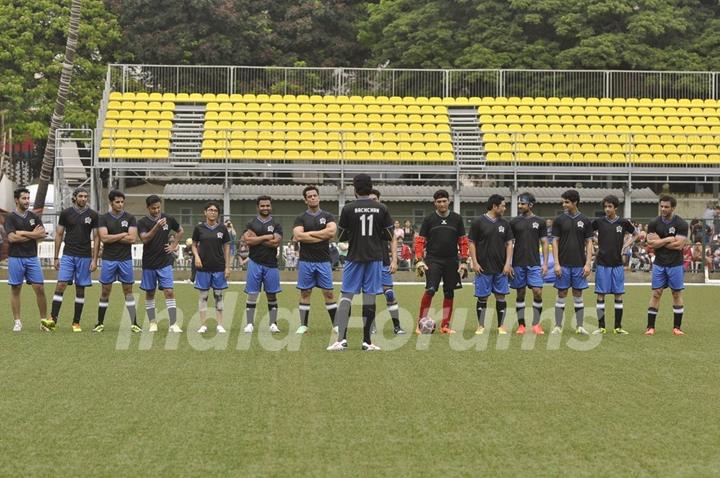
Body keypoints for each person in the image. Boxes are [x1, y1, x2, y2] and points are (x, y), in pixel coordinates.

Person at [327, 174, 393, 351]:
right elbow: (389, 235)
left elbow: (341, 236)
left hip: (354, 257)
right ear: (371, 188)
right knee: (370, 297)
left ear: (354, 189)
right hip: (375, 258)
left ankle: (341, 340)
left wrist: (355, 234)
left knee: (346, 297)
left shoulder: (348, 209)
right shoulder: (381, 208)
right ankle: (367, 341)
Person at [415, 189, 468, 334]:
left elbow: (463, 241)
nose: (442, 204)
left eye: (444, 201)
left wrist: (463, 261)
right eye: (439, 202)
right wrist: (419, 260)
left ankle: (445, 326)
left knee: (449, 292)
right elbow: (420, 241)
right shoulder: (429, 219)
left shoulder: (457, 219)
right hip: (433, 260)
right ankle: (420, 324)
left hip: (451, 261)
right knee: (430, 290)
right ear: (434, 203)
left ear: (449, 202)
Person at [47, 187, 99, 332]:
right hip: (68, 255)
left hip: (85, 256)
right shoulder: (66, 213)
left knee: (80, 289)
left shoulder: (93, 215)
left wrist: (95, 260)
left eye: (86, 196)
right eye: (81, 196)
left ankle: (76, 322)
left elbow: (96, 237)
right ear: (75, 197)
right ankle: (52, 319)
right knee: (61, 284)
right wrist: (56, 257)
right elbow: (58, 234)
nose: (83, 199)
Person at [292, 185, 338, 334]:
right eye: (309, 196)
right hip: (306, 261)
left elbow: (331, 232)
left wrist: (309, 235)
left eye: (314, 195)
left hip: (324, 261)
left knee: (329, 293)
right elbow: (298, 237)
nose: (312, 198)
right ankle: (303, 325)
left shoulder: (328, 216)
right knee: (305, 293)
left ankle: (336, 325)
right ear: (306, 200)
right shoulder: (300, 217)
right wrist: (320, 235)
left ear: (318, 197)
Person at [95, 190, 140, 332]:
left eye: (122, 202)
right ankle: (99, 323)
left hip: (125, 260)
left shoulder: (130, 218)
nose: (120, 204)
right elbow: (103, 238)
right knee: (105, 291)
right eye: (117, 202)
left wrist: (111, 237)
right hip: (109, 260)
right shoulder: (103, 218)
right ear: (111, 202)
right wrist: (122, 234)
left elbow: (132, 239)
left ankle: (134, 323)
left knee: (128, 291)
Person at [591, 195, 637, 335]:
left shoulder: (623, 222)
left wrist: (625, 246)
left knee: (618, 294)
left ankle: (617, 327)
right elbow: (587, 233)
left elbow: (636, 234)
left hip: (617, 264)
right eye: (605, 207)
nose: (607, 209)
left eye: (610, 206)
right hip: (602, 263)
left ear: (615, 207)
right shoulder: (599, 222)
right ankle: (601, 327)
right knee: (600, 294)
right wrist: (595, 240)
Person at [138, 195, 184, 333]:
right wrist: (157, 227)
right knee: (150, 293)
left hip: (165, 262)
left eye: (158, 207)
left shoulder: (168, 218)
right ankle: (153, 323)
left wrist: (174, 245)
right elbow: (145, 239)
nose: (157, 210)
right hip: (149, 263)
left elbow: (180, 230)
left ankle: (173, 324)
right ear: (148, 208)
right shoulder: (142, 222)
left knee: (169, 291)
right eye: (153, 208)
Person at [469, 194, 514, 335]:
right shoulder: (478, 222)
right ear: (495, 206)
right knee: (483, 297)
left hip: (501, 268)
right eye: (503, 205)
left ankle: (501, 326)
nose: (505, 208)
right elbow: (471, 243)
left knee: (501, 296)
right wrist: (474, 262)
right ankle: (481, 325)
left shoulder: (505, 224)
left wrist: (508, 263)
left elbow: (509, 244)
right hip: (483, 267)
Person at [551, 189, 594, 335]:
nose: (564, 204)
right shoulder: (559, 220)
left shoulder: (585, 220)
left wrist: (588, 263)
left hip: (579, 264)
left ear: (575, 202)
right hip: (562, 264)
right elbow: (555, 242)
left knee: (578, 293)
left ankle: (580, 326)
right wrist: (556, 263)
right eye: (563, 202)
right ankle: (558, 326)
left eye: (566, 202)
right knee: (561, 293)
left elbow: (589, 243)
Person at [645, 195, 689, 336]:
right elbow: (650, 243)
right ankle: (650, 327)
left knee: (676, 293)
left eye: (666, 207)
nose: (663, 209)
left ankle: (677, 327)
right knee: (656, 293)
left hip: (675, 264)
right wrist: (669, 239)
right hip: (659, 264)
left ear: (673, 208)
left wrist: (660, 241)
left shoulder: (681, 224)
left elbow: (679, 245)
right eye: (661, 206)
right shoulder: (653, 223)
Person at [6, 187, 48, 332]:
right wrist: (32, 234)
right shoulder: (10, 217)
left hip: (32, 258)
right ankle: (17, 321)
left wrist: (22, 233)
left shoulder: (34, 217)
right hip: (15, 258)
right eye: (24, 198)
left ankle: (44, 321)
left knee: (40, 288)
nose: (27, 201)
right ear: (16, 200)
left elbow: (42, 234)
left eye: (28, 198)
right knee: (16, 288)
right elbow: (11, 238)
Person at [509, 192, 548, 335]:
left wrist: (544, 264)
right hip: (518, 263)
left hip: (534, 263)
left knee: (537, 291)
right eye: (519, 203)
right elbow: (509, 243)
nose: (520, 206)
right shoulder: (513, 222)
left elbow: (544, 242)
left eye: (522, 203)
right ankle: (521, 325)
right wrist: (509, 263)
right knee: (520, 293)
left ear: (531, 205)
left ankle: (536, 324)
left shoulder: (540, 221)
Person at [242, 195, 283, 334]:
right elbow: (247, 241)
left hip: (271, 264)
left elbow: (276, 242)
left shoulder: (276, 223)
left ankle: (273, 324)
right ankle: (249, 324)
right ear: (258, 207)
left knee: (271, 295)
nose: (265, 208)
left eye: (267, 205)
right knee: (252, 294)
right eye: (262, 206)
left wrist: (257, 238)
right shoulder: (251, 223)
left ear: (270, 206)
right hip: (254, 262)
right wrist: (267, 236)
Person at [369, 189, 404, 335]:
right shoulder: (359, 218)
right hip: (367, 262)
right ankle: (371, 326)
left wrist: (394, 260)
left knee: (389, 293)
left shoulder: (384, 216)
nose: (373, 202)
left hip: (383, 261)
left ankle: (397, 326)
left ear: (379, 200)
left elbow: (392, 239)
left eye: (375, 199)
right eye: (370, 199)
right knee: (369, 295)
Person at [192, 202, 230, 333]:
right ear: (205, 212)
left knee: (218, 295)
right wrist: (196, 257)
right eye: (210, 210)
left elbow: (227, 247)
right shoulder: (199, 228)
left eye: (215, 210)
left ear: (218, 213)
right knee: (203, 296)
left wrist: (227, 267)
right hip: (203, 267)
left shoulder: (222, 229)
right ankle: (203, 325)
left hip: (219, 267)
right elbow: (193, 245)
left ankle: (220, 324)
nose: (212, 212)